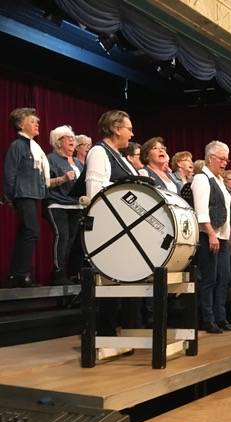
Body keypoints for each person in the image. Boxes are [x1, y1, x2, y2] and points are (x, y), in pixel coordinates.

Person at [192, 140, 231, 333]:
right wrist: (211, 233)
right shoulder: (201, 179)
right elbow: (201, 211)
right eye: (222, 159)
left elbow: (225, 206)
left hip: (222, 237)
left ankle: (221, 317)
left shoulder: (218, 179)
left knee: (223, 278)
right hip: (208, 236)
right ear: (210, 158)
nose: (225, 163)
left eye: (227, 159)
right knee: (209, 279)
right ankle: (208, 319)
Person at [3, 108, 49, 287]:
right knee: (31, 232)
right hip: (23, 194)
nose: (37, 124)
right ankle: (21, 274)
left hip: (32, 194)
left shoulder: (33, 147)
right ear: (21, 125)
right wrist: (9, 198)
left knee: (27, 232)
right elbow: (10, 172)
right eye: (32, 121)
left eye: (37, 121)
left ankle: (16, 275)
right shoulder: (18, 145)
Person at [46, 125, 83, 285]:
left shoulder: (78, 162)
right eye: (68, 138)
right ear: (58, 141)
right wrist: (63, 179)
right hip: (58, 205)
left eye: (73, 138)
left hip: (76, 206)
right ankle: (58, 274)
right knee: (62, 238)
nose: (72, 140)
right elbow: (44, 183)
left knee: (72, 241)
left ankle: (69, 274)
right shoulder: (50, 159)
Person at [85, 110, 137, 199]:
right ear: (116, 129)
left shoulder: (120, 155)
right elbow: (94, 195)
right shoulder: (98, 152)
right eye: (129, 129)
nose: (132, 134)